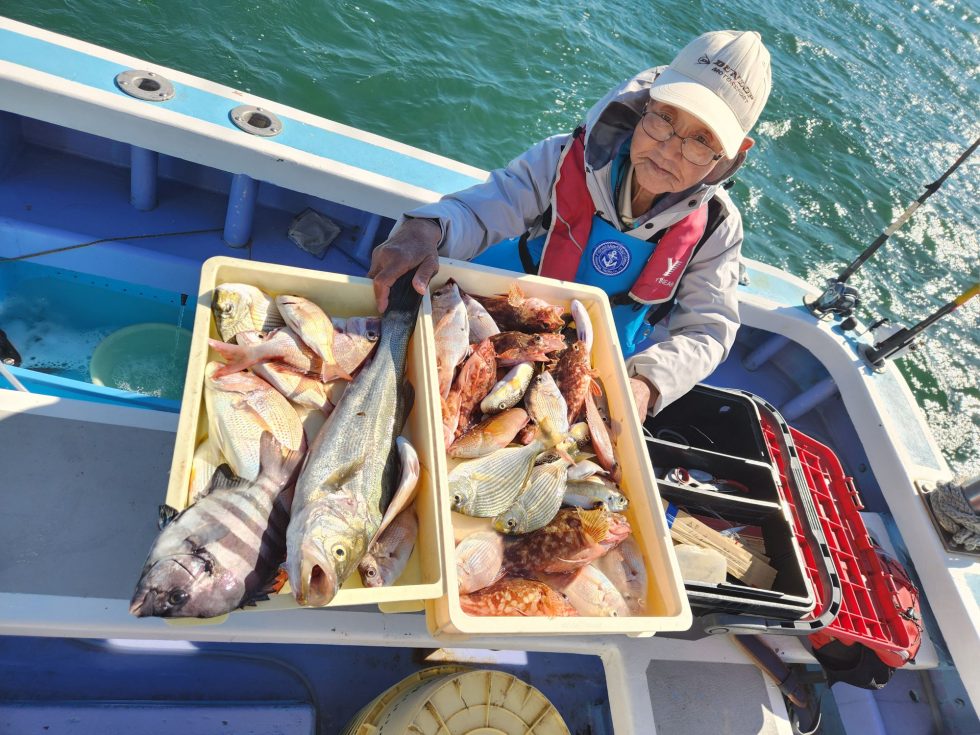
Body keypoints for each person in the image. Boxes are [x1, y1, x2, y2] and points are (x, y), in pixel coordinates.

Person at [369, 30, 772, 417]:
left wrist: (648, 382)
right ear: (646, 101)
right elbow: (485, 209)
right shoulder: (563, 158)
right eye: (665, 118)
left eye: (702, 141)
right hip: (492, 312)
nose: (670, 149)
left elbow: (707, 331)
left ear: (735, 153)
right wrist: (428, 228)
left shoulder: (717, 227)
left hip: (589, 360)